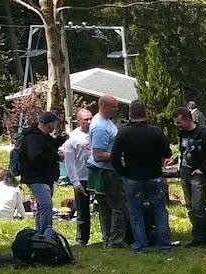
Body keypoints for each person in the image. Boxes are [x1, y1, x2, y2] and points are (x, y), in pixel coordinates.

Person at [110, 101, 173, 254]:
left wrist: (123, 171)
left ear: (130, 115)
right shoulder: (156, 131)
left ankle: (140, 246)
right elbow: (167, 153)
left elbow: (114, 157)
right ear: (146, 114)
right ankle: (164, 245)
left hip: (132, 176)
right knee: (159, 211)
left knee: (136, 213)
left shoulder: (123, 133)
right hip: (154, 175)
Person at [172, 106, 206, 247]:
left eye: (179, 122)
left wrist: (201, 169)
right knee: (190, 207)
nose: (177, 125)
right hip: (184, 172)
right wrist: (175, 161)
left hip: (197, 174)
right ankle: (197, 236)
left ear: (187, 119)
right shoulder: (182, 133)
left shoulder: (203, 133)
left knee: (198, 207)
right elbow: (183, 151)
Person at [88, 94, 128, 249]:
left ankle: (107, 240)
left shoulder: (105, 121)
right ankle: (115, 241)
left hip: (106, 170)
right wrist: (122, 155)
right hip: (106, 172)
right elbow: (98, 155)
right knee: (117, 207)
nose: (116, 109)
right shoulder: (100, 127)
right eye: (113, 107)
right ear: (103, 107)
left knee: (106, 207)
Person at [18, 111, 63, 234]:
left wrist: (61, 139)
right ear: (49, 124)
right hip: (36, 177)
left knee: (42, 207)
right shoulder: (33, 138)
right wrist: (56, 157)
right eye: (55, 123)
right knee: (46, 205)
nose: (55, 126)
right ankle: (45, 235)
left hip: (46, 177)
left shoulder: (44, 136)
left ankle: (40, 234)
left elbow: (50, 147)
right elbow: (36, 157)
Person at [62, 107, 93, 246]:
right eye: (86, 119)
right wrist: (75, 182)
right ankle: (81, 240)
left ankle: (108, 237)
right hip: (81, 178)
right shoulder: (73, 137)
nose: (89, 122)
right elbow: (69, 162)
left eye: (91, 118)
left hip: (96, 175)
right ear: (79, 121)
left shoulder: (96, 132)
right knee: (82, 209)